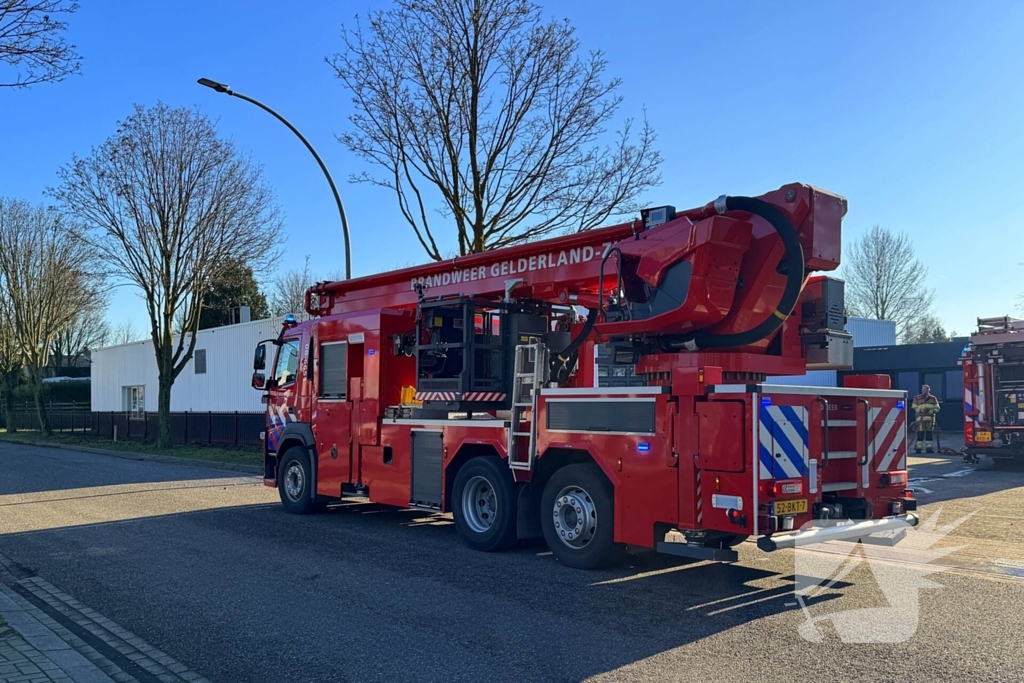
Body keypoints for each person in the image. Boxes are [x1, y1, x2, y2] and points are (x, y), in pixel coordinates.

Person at [911, 384, 941, 454]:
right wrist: (919, 410)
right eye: (923, 389)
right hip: (920, 419)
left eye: (926, 389)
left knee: (929, 434)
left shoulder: (933, 398)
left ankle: (929, 449)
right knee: (920, 434)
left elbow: (937, 408)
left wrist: (933, 411)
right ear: (922, 390)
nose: (925, 391)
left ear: (929, 390)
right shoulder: (917, 398)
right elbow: (914, 406)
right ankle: (918, 449)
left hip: (930, 419)